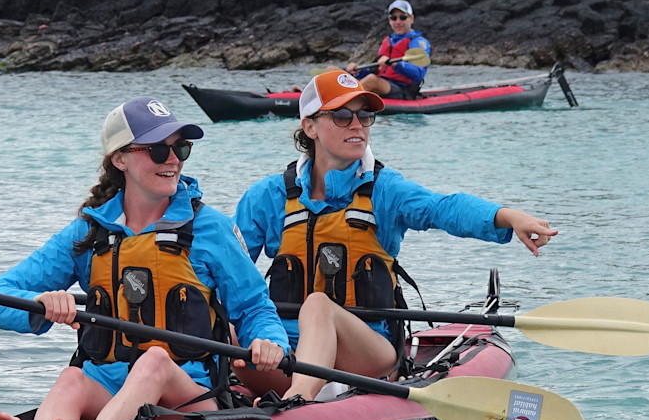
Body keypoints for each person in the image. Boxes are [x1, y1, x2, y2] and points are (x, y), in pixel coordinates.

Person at [0, 97, 289, 420]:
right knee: (72, 378)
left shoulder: (210, 228)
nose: (172, 159)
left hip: (188, 398)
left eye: (181, 148)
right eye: (158, 150)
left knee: (154, 362)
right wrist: (39, 302)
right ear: (119, 159)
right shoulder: (89, 233)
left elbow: (255, 308)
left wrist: (270, 341)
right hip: (110, 389)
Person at [234, 71, 557, 401]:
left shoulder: (384, 190)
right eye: (343, 115)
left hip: (366, 351)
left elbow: (443, 208)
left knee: (319, 306)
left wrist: (505, 217)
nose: (358, 125)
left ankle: (297, 401)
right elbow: (225, 269)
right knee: (227, 318)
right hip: (284, 351)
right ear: (310, 126)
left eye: (365, 115)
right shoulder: (268, 196)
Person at [348, 0, 431, 99]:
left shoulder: (418, 43)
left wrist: (397, 64)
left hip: (402, 89)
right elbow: (375, 69)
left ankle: (343, 102)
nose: (398, 22)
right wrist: (358, 71)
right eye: (394, 18)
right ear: (389, 20)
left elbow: (419, 74)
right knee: (334, 71)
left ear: (411, 19)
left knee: (372, 80)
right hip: (381, 83)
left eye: (403, 17)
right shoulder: (388, 41)